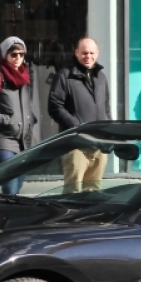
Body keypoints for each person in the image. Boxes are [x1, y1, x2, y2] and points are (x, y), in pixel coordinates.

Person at [0, 36, 40, 195]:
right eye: (13, 54)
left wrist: (30, 119)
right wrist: (5, 120)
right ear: (5, 55)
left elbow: (25, 106)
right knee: (10, 189)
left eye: (21, 54)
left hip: (23, 142)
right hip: (2, 140)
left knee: (16, 189)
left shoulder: (26, 77)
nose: (18, 57)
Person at [48, 37, 112, 193]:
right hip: (75, 145)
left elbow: (106, 108)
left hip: (98, 145)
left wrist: (109, 133)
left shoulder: (101, 77)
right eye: (84, 53)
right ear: (76, 53)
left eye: (91, 53)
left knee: (94, 192)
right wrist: (77, 126)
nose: (88, 56)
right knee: (73, 191)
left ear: (97, 53)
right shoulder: (65, 75)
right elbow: (54, 106)